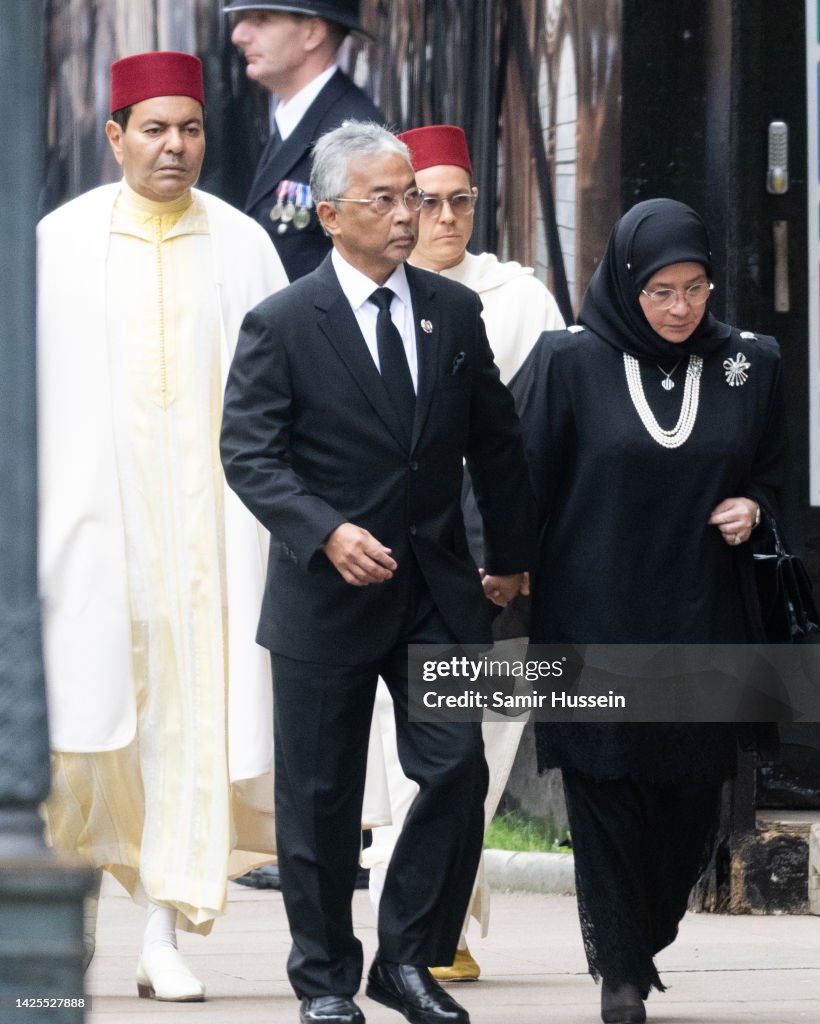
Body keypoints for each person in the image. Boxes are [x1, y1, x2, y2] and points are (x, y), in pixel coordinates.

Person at [220, 120, 536, 1024]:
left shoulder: (452, 310)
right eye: (387, 200)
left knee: (455, 774)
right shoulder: (282, 323)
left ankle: (407, 960)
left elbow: (497, 446)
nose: (411, 215)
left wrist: (509, 559)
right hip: (326, 595)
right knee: (319, 801)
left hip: (437, 592)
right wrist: (324, 532)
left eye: (418, 197)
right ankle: (324, 981)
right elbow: (250, 453)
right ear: (328, 215)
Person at [498, 198, 786, 1024]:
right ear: (627, 285)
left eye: (696, 289)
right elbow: (523, 478)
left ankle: (644, 933)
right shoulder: (568, 363)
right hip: (593, 616)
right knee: (605, 786)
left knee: (693, 792)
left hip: (704, 615)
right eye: (661, 291)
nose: (680, 308)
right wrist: (503, 573)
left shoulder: (748, 362)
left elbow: (769, 472)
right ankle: (620, 974)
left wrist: (754, 508)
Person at [38, 51, 288, 1002]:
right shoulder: (57, 243)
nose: (174, 146)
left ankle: (166, 933)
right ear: (115, 137)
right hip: (89, 532)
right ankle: (68, 923)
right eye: (153, 129)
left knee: (192, 726)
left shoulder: (241, 244)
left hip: (209, 539)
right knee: (77, 731)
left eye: (189, 128)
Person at [361, 123, 564, 982]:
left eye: (459, 200)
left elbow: (548, 435)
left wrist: (522, 556)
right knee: (404, 765)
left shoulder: (522, 299)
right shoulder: (363, 300)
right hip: (391, 573)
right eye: (423, 198)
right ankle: (408, 930)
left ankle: (445, 924)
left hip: (499, 572)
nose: (442, 216)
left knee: (478, 758)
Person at [226, 0, 384, 281]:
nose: (239, 35)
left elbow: (369, 272)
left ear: (312, 33)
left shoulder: (354, 138)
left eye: (262, 19)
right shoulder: (296, 117)